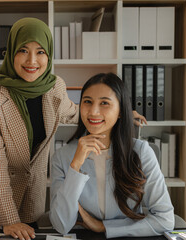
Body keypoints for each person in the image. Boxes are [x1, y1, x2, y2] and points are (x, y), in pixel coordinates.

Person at [0, 18, 146, 240]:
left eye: (40, 51)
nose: (32, 60)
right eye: (23, 50)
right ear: (11, 51)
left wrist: (122, 114)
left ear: (49, 54)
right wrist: (9, 219)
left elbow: (73, 112)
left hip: (27, 195)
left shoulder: (54, 87)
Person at [49, 73, 174, 239]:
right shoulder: (62, 157)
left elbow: (165, 220)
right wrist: (75, 166)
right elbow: (61, 225)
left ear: (121, 111)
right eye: (87, 101)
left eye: (104, 103)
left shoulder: (142, 152)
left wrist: (104, 227)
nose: (93, 111)